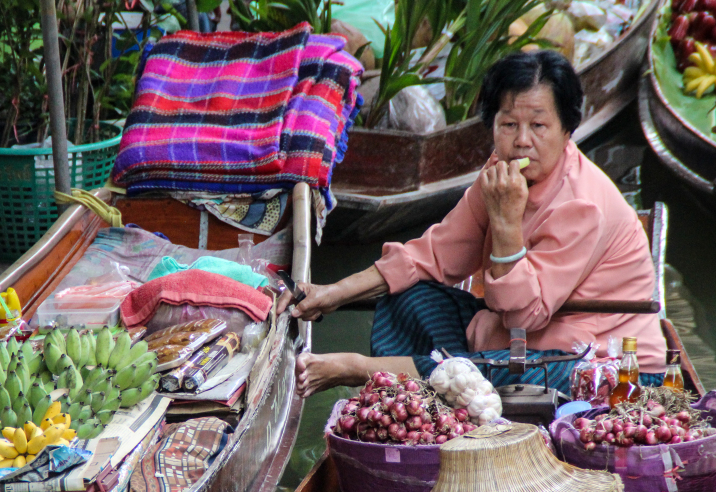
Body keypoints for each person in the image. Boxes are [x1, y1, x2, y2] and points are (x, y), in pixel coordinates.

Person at [279, 50, 667, 398]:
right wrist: (333, 293)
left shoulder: (583, 204)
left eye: (539, 126)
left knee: (499, 373)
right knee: (410, 298)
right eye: (509, 124)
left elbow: (524, 315)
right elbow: (434, 254)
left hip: (602, 362)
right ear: (492, 125)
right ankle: (438, 382)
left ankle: (359, 370)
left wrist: (505, 221)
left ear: (567, 131)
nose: (522, 141)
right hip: (513, 336)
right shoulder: (498, 173)